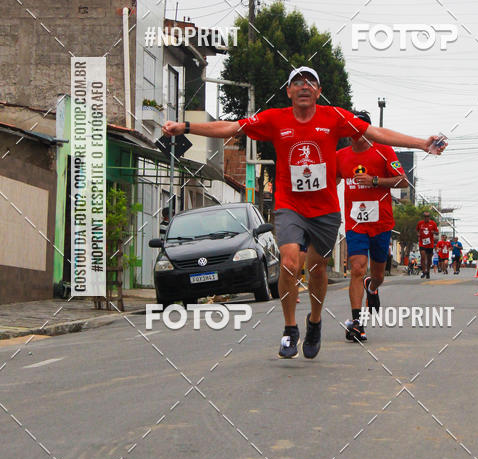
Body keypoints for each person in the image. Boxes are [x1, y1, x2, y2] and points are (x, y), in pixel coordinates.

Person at [163, 66, 446, 360]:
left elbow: (377, 132)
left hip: (324, 210)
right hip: (290, 206)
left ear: (318, 92)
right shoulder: (275, 119)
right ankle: (289, 329)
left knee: (317, 268)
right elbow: (232, 127)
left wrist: (420, 144)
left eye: (311, 81)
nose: (304, 86)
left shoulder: (333, 117)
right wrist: (185, 127)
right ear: (288, 91)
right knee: (288, 262)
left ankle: (314, 321)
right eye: (297, 82)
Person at [336, 110, 408, 342]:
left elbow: (402, 180)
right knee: (357, 268)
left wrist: (375, 180)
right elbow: (330, 181)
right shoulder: (340, 156)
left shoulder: (384, 151)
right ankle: (357, 322)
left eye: (361, 129)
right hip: (355, 223)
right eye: (351, 129)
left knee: (377, 274)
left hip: (381, 222)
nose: (355, 134)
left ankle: (372, 286)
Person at [416, 210, 438, 279]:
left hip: (430, 244)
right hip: (422, 243)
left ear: (429, 217)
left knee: (429, 259)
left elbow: (437, 232)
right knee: (422, 256)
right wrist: (418, 234)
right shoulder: (420, 223)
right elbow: (417, 230)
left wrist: (433, 232)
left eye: (427, 216)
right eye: (425, 216)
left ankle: (428, 271)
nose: (426, 218)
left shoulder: (433, 223)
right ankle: (423, 271)